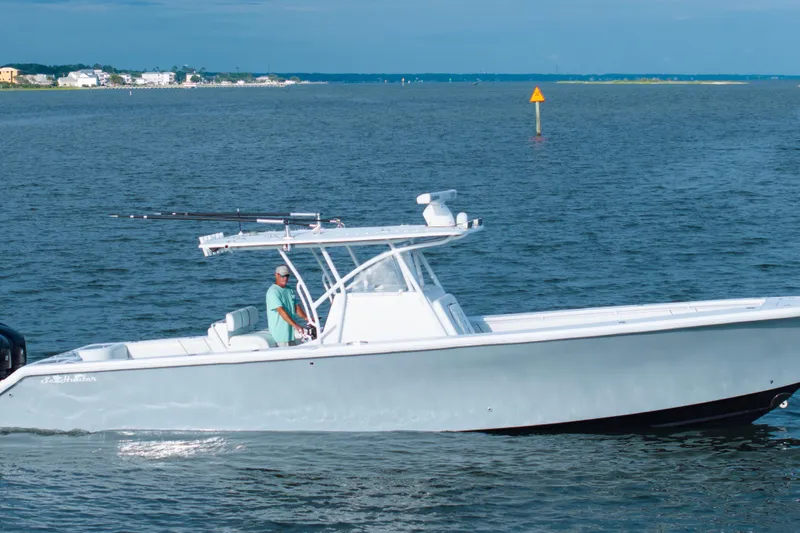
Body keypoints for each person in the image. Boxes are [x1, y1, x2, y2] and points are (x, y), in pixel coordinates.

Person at [266, 265, 309, 347]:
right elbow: (281, 311)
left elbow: (296, 306)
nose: (285, 278)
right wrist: (296, 325)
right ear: (277, 275)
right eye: (283, 276)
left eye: (287, 276)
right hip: (280, 336)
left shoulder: (289, 289)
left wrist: (306, 318)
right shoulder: (273, 292)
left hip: (290, 334)